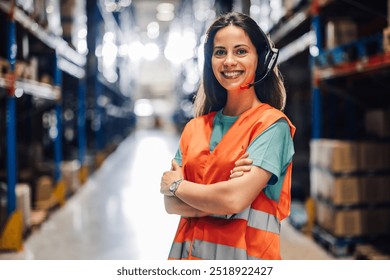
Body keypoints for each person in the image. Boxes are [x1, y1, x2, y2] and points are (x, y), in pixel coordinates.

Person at [160, 11, 295, 260]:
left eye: (241, 51)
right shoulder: (194, 129)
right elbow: (171, 205)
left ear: (261, 59)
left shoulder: (271, 126)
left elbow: (233, 199)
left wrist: (177, 186)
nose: (229, 61)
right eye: (220, 52)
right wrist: (216, 200)